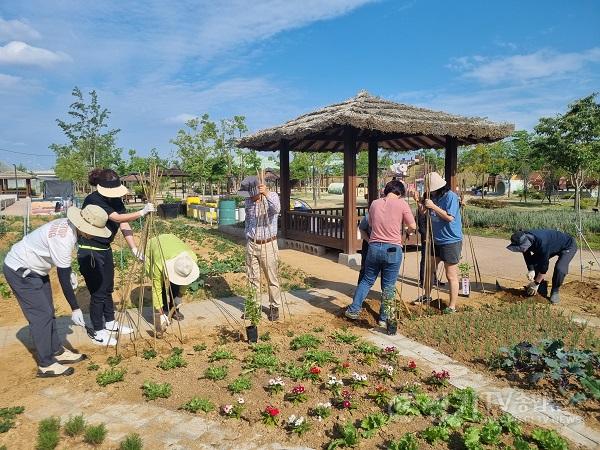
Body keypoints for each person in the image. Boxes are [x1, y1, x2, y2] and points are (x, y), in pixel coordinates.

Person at [3, 205, 112, 377]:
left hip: (37, 270)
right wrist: (75, 308)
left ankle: (57, 351)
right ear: (84, 227)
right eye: (94, 231)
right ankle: (46, 364)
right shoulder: (64, 239)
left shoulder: (68, 225)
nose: (94, 235)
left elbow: (64, 268)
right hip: (21, 271)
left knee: (48, 311)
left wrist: (70, 274)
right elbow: (62, 277)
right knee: (42, 315)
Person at [78, 169, 155, 346]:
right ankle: (98, 331)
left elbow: (124, 224)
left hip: (104, 248)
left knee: (108, 288)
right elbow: (117, 217)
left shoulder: (115, 200)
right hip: (89, 249)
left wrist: (134, 248)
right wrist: (141, 213)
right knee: (98, 291)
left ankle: (111, 323)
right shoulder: (93, 200)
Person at [345, 180, 416, 326]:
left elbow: (369, 225)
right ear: (400, 193)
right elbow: (412, 225)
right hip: (393, 249)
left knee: (367, 280)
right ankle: (385, 319)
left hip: (374, 247)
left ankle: (354, 309)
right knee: (389, 285)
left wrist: (374, 239)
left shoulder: (374, 203)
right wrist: (408, 231)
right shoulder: (402, 203)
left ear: (386, 190)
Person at [414, 172, 462, 314]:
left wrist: (433, 207)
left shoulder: (451, 197)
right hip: (435, 239)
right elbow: (424, 212)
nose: (429, 191)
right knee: (430, 270)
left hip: (450, 240)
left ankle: (452, 306)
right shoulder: (432, 196)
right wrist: (418, 201)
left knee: (450, 274)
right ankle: (427, 296)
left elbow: (450, 218)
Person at [239, 175, 281, 321]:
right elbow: (248, 219)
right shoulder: (248, 201)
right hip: (252, 243)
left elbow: (276, 209)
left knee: (272, 278)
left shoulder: (272, 196)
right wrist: (248, 235)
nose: (248, 197)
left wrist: (266, 193)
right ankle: (254, 307)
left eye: (250, 194)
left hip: (268, 244)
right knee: (252, 277)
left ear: (257, 189)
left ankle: (274, 307)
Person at [145, 233, 199, 335]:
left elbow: (186, 279)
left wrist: (179, 296)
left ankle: (174, 309)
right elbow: (156, 289)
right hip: (155, 248)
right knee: (159, 284)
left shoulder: (191, 259)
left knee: (177, 282)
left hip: (172, 243)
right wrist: (160, 314)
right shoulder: (159, 262)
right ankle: (163, 310)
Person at [507, 229, 577, 304]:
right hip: (551, 246)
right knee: (534, 263)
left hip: (567, 246)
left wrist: (536, 283)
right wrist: (531, 269)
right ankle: (542, 288)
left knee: (560, 268)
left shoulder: (542, 242)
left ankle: (555, 291)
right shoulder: (524, 238)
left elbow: (544, 267)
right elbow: (527, 255)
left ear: (527, 242)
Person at [412, 190, 440, 288]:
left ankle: (434, 279)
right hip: (427, 238)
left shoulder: (432, 208)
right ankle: (423, 280)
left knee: (434, 259)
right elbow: (421, 225)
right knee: (425, 259)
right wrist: (425, 236)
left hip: (435, 237)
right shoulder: (422, 209)